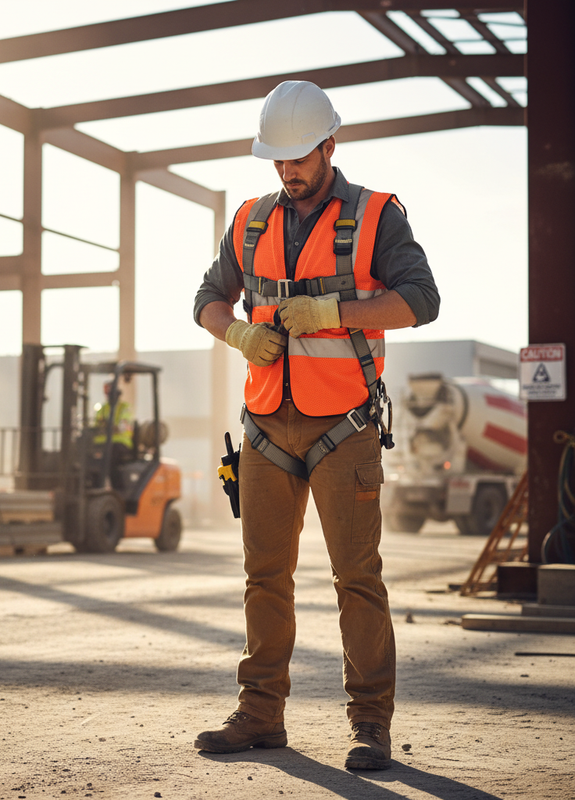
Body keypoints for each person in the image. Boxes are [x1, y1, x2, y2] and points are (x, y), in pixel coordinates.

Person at [192, 80, 440, 770]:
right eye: (277, 160)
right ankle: (260, 715)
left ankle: (370, 725)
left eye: (299, 157)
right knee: (263, 576)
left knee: (356, 579)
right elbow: (207, 300)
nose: (288, 171)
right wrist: (237, 333)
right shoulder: (248, 221)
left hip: (345, 429)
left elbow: (421, 300)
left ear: (331, 145)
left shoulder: (377, 216)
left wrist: (334, 315)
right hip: (267, 429)